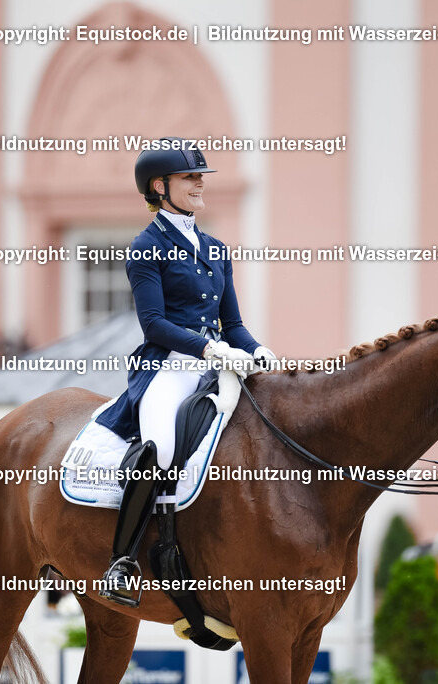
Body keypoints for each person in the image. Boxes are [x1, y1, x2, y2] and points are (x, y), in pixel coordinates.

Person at [94, 138, 276, 607]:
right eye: (190, 177)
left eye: (200, 177)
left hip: (220, 364)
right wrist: (211, 349)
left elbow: (233, 324)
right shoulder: (145, 247)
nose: (199, 184)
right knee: (161, 447)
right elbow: (154, 323)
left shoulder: (215, 248)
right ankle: (124, 560)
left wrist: (258, 351)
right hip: (170, 368)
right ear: (161, 186)